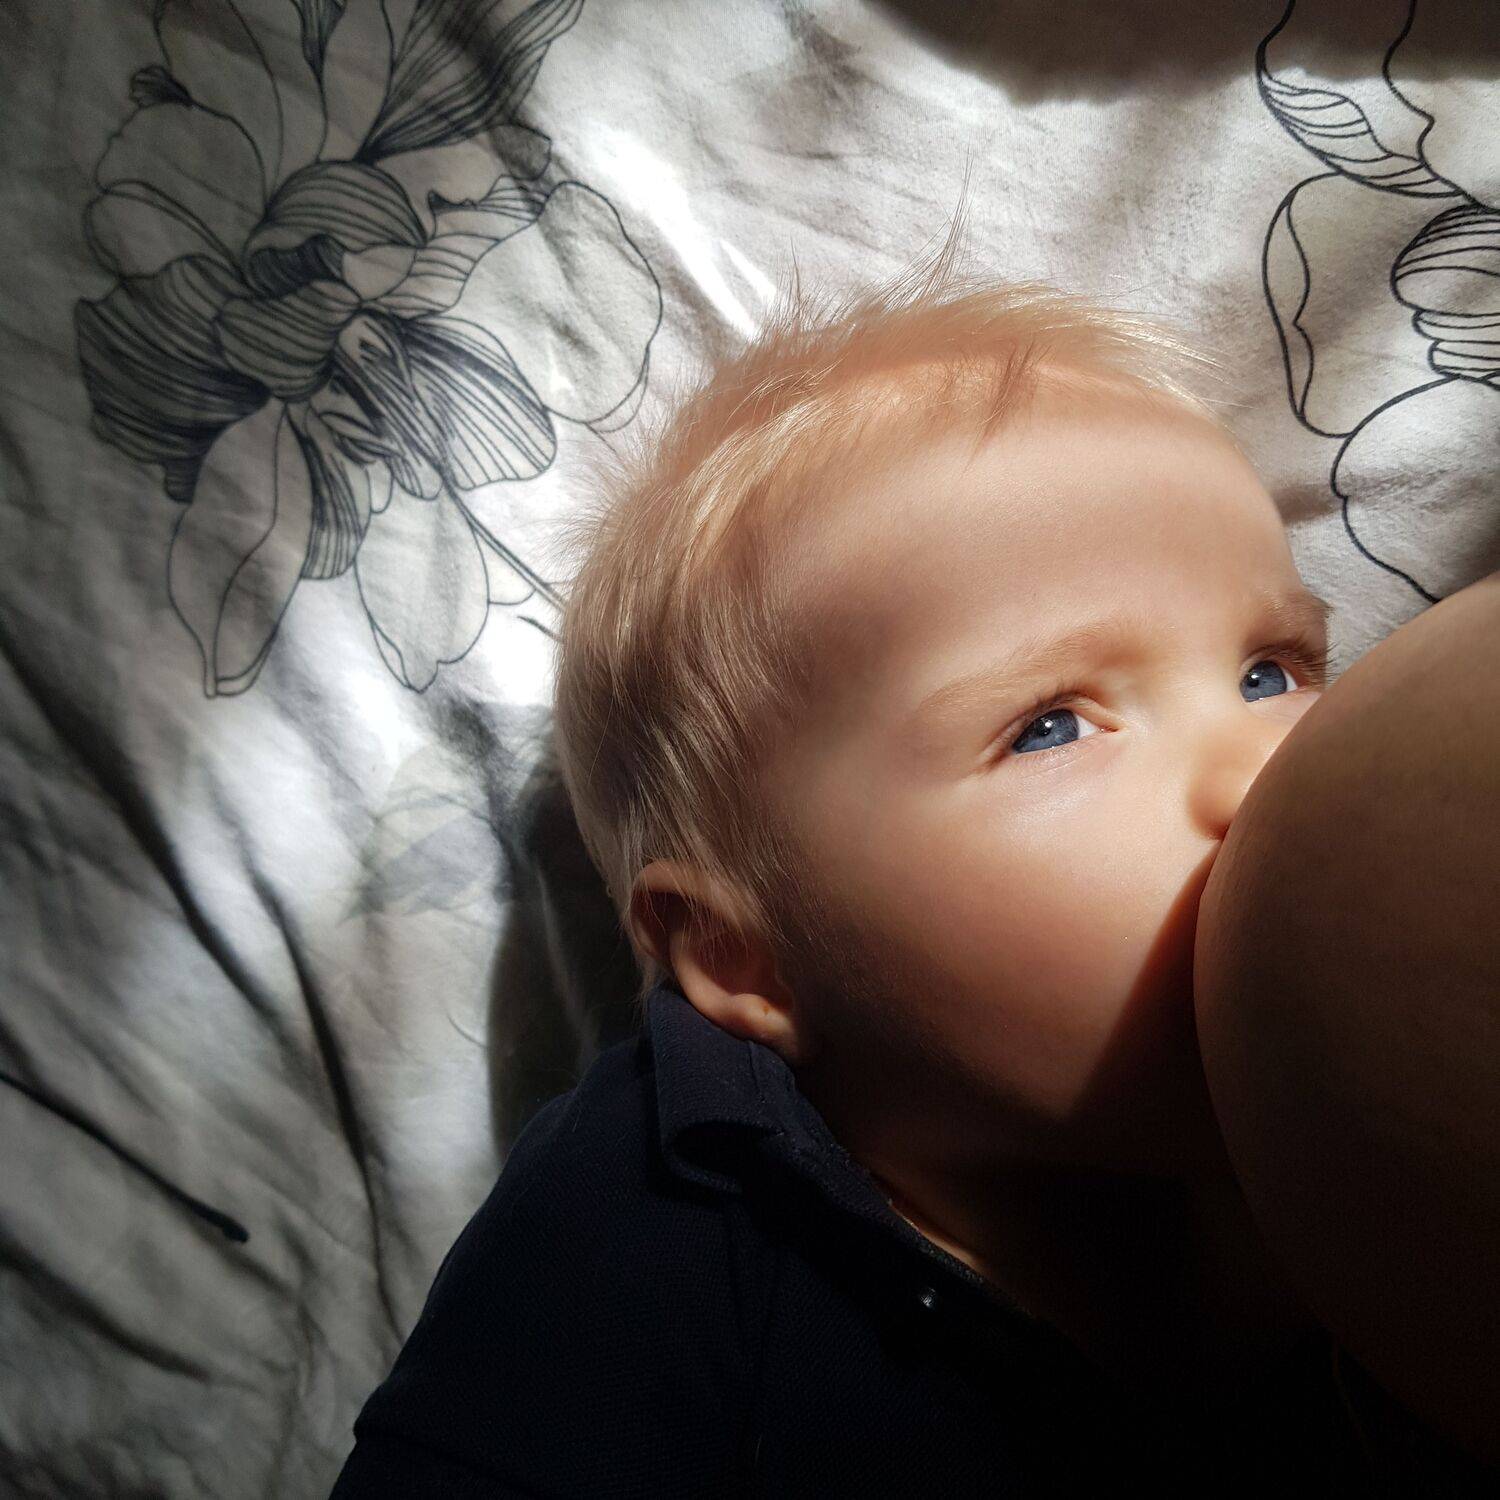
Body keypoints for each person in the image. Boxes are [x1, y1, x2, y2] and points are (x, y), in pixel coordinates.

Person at [329, 234, 1463, 1496]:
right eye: (1050, 726)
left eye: (1271, 672)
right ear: (745, 955)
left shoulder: (1354, 1103)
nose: (1263, 772)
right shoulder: (643, 1233)